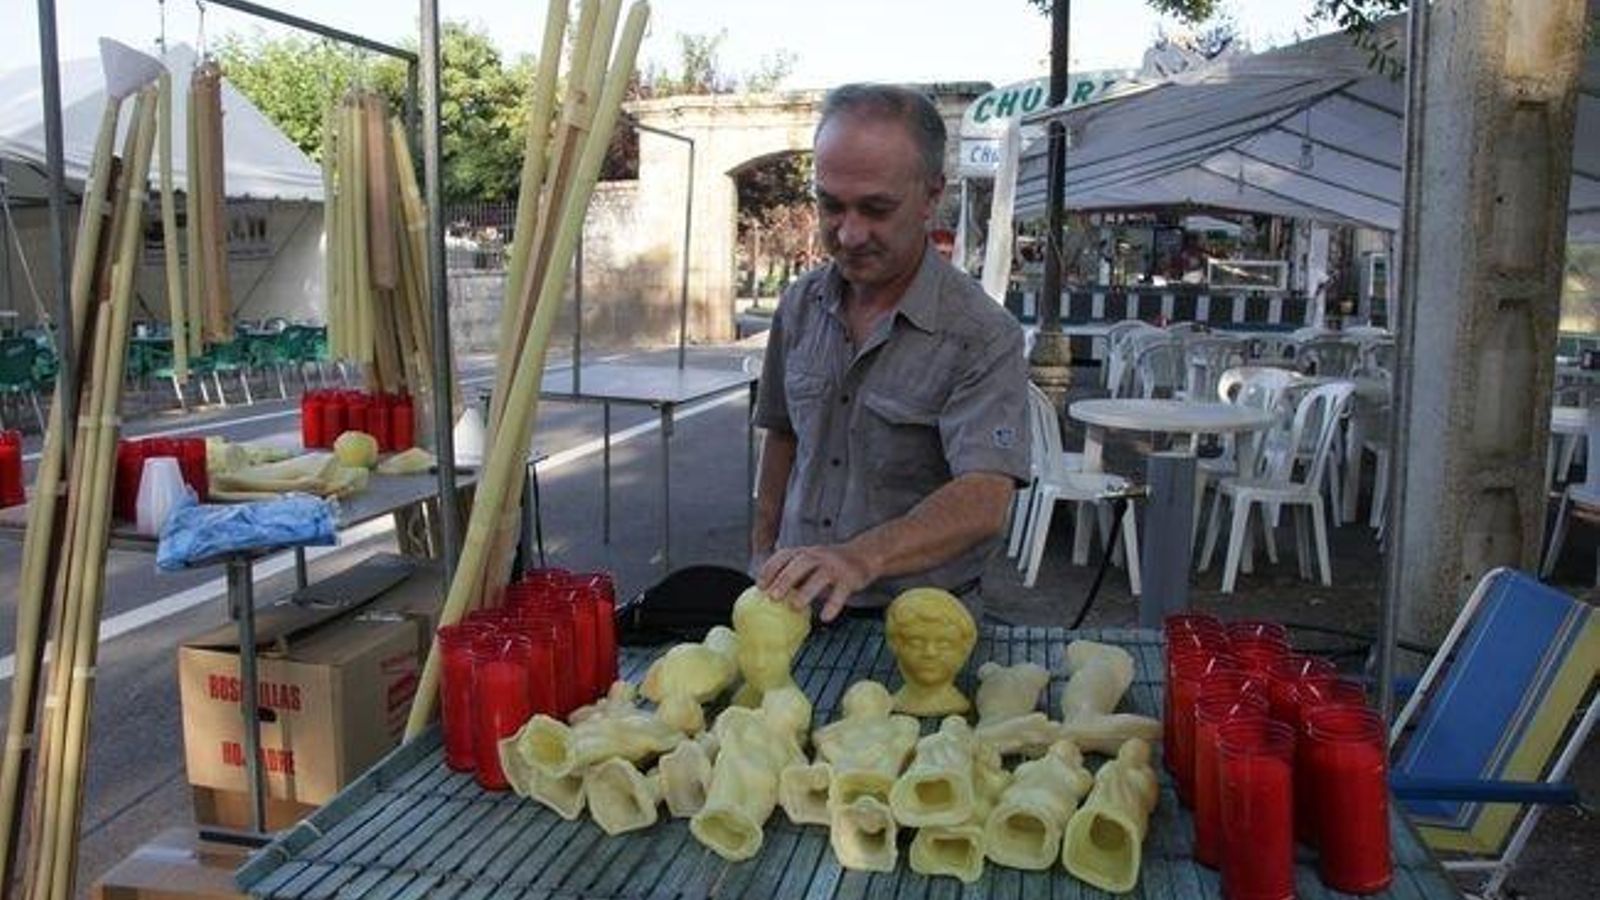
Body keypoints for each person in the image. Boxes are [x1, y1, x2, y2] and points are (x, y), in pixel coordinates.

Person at [751, 83, 1030, 623]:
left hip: (922, 627)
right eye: (831, 206)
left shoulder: (982, 334)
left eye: (876, 209)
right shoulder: (800, 305)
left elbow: (985, 497)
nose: (850, 234)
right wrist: (761, 553)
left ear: (930, 197)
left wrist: (859, 559)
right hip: (792, 611)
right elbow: (782, 434)